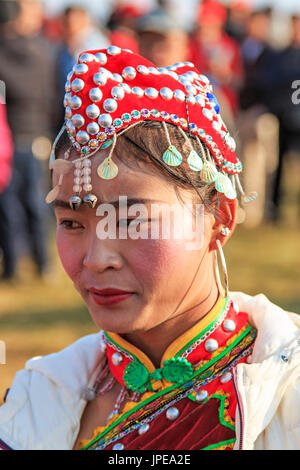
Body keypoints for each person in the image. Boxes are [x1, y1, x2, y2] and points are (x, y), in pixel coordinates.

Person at [0, 46, 300, 451]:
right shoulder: (36, 397)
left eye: (133, 221)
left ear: (221, 219)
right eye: (72, 223)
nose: (97, 258)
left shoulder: (286, 389)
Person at [0, 0, 59, 279]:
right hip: (36, 136)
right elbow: (51, 95)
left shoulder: (24, 50)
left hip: (12, 139)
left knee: (11, 205)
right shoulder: (44, 50)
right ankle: (41, 263)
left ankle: (14, 266)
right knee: (35, 204)